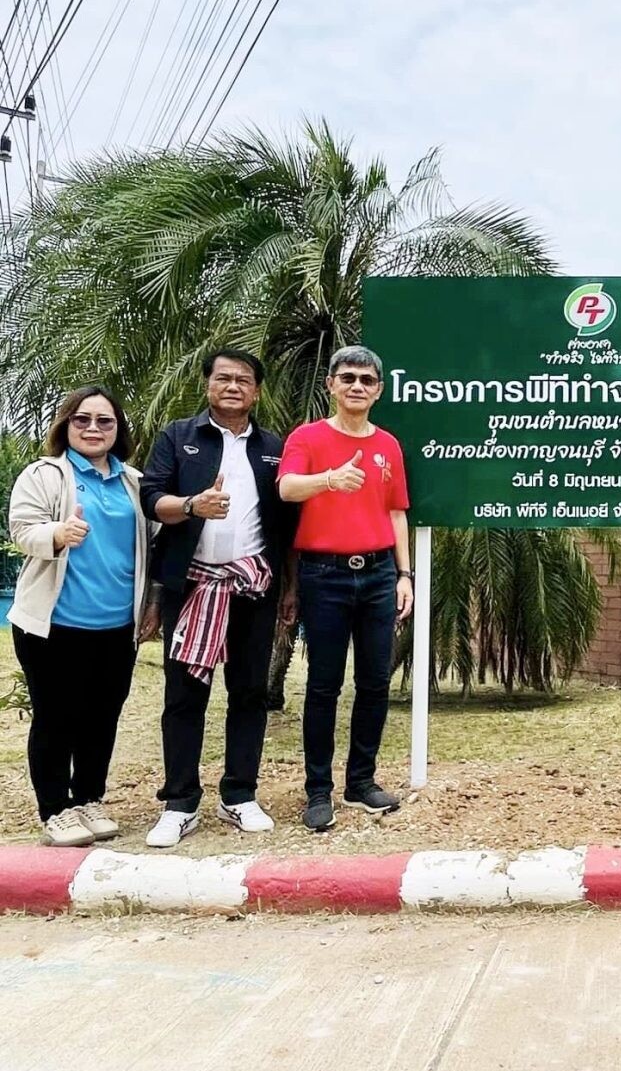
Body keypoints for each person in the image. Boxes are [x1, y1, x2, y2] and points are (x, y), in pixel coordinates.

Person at [139, 349, 296, 848]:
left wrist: (290, 588)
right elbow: (151, 498)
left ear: (257, 391)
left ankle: (240, 795)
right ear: (207, 384)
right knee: (184, 697)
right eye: (223, 377)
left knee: (249, 694)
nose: (233, 386)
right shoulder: (178, 437)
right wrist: (192, 505)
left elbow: (287, 527)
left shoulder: (273, 447)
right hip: (192, 589)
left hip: (253, 587)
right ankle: (180, 803)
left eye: (244, 380)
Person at [8, 387, 158, 846]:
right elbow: (21, 530)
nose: (93, 429)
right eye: (83, 420)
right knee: (56, 718)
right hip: (55, 625)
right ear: (66, 425)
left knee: (102, 718)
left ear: (118, 430)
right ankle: (55, 809)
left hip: (117, 628)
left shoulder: (133, 481)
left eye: (105, 421)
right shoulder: (45, 474)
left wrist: (151, 604)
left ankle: (89, 798)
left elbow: (151, 548)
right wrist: (59, 532)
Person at [278, 345, 415, 832]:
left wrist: (405, 575)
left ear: (379, 390)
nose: (357, 386)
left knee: (375, 682)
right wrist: (330, 479)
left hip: (379, 575)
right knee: (323, 685)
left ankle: (362, 782)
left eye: (367, 380)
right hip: (324, 575)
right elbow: (286, 488)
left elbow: (397, 511)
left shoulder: (389, 446)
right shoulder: (307, 437)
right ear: (331, 385)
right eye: (348, 378)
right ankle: (319, 791)